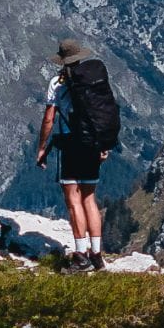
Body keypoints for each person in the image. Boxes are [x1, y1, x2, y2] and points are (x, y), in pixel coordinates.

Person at [37, 37, 120, 270]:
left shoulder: (58, 83)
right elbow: (103, 112)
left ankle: (80, 256)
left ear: (62, 60)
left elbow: (49, 119)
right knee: (89, 198)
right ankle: (96, 254)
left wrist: (42, 147)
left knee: (73, 200)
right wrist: (104, 144)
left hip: (71, 145)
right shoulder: (94, 80)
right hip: (93, 144)